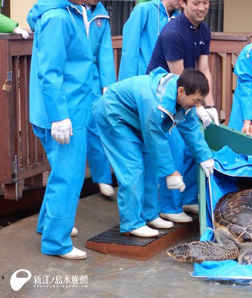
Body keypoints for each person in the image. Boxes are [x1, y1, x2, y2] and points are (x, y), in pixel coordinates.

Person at [92, 67, 214, 237]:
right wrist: (172, 172)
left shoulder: (184, 94)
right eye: (196, 101)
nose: (197, 105)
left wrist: (205, 156)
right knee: (132, 167)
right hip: (113, 115)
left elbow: (191, 127)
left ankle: (149, 215)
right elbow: (156, 140)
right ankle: (131, 223)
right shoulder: (154, 101)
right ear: (181, 91)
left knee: (150, 164)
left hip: (134, 118)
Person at [28, 0, 96, 260]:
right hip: (64, 112)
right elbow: (50, 72)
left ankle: (49, 224)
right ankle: (56, 241)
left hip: (67, 108)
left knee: (62, 172)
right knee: (68, 176)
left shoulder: (73, 13)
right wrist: (59, 116)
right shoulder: (59, 17)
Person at [146, 0, 218, 223]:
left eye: (205, 2)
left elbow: (204, 69)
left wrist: (210, 106)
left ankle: (187, 199)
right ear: (183, 3)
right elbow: (181, 81)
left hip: (186, 93)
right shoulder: (173, 32)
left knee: (191, 149)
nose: (202, 7)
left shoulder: (203, 29)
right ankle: (168, 206)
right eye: (196, 2)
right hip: (164, 96)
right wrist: (198, 108)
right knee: (174, 149)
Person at [85, 1, 117, 197]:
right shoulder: (63, 8)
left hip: (92, 77)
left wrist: (107, 83)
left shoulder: (101, 14)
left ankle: (103, 177)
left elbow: (105, 51)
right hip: (67, 77)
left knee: (96, 125)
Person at [118, 0, 182, 81]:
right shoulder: (144, 9)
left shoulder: (179, 19)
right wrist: (126, 83)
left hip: (167, 83)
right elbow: (129, 50)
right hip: (142, 80)